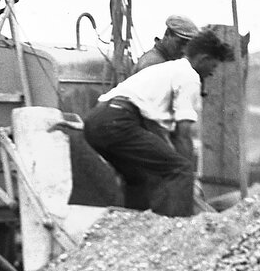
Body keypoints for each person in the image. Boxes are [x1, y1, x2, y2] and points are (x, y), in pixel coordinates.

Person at [83, 30, 236, 218]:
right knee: (179, 169)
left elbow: (158, 131)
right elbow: (183, 134)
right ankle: (176, 229)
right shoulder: (189, 76)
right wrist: (188, 176)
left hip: (95, 121)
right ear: (203, 58)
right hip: (118, 121)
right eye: (213, 66)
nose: (212, 73)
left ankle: (136, 225)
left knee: (140, 177)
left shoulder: (168, 69)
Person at [134, 15, 201, 72]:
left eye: (187, 45)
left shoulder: (166, 62)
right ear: (167, 35)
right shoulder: (152, 64)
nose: (183, 50)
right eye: (180, 43)